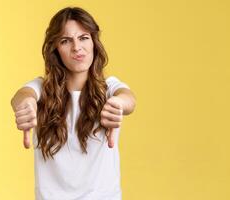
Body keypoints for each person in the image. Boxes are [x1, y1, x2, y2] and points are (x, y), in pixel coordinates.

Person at [10, 7, 136, 200]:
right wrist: (26, 103)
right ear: (56, 49)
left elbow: (128, 99)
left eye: (84, 37)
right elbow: (22, 95)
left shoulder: (109, 88)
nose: (77, 47)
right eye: (65, 41)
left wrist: (118, 103)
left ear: (94, 42)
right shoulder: (41, 89)